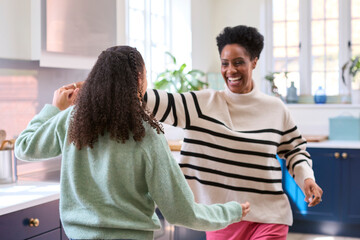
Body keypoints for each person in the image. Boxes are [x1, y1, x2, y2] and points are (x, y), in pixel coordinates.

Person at [14, 45, 250, 240]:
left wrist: (54, 109)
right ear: (139, 79)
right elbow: (181, 212)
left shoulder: (71, 120)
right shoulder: (145, 133)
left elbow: (24, 147)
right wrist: (232, 211)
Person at [142, 25, 323, 239]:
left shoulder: (275, 109)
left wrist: (307, 179)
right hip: (222, 217)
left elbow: (294, 150)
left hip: (269, 216)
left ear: (254, 61)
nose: (230, 70)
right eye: (225, 63)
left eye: (239, 63)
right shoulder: (201, 104)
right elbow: (152, 101)